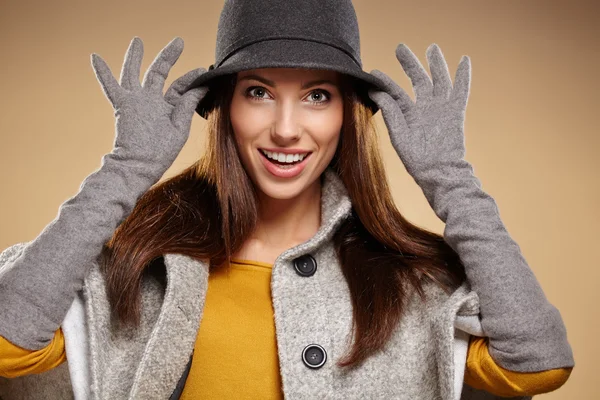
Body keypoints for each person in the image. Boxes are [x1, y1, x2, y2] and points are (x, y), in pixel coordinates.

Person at [0, 0, 574, 399]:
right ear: (224, 107)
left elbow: (538, 365)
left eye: (317, 95)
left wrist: (451, 177)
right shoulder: (140, 267)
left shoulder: (410, 284)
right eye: (259, 92)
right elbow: (8, 342)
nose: (285, 128)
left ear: (348, 112)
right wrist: (124, 171)